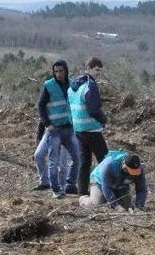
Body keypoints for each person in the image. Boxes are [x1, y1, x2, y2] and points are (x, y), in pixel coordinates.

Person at [34, 60, 81, 198]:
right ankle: (55, 189)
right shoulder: (48, 86)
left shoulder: (72, 84)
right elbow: (41, 106)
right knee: (53, 161)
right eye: (56, 71)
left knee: (77, 158)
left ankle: (69, 184)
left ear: (66, 70)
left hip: (69, 128)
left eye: (61, 71)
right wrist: (47, 124)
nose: (58, 74)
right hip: (54, 130)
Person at [69, 57, 108, 194]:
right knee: (105, 161)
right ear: (88, 68)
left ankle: (82, 193)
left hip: (79, 129)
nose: (98, 73)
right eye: (96, 70)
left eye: (100, 70)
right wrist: (103, 120)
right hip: (92, 129)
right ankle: (107, 193)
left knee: (84, 162)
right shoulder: (90, 85)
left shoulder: (74, 85)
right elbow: (93, 109)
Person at [79, 150, 148, 210]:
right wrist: (116, 205)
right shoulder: (109, 165)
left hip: (120, 185)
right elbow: (106, 188)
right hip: (99, 182)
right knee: (96, 205)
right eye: (129, 170)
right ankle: (83, 199)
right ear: (123, 164)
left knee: (128, 208)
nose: (131, 173)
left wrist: (140, 205)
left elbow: (141, 188)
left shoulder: (139, 169)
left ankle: (110, 201)